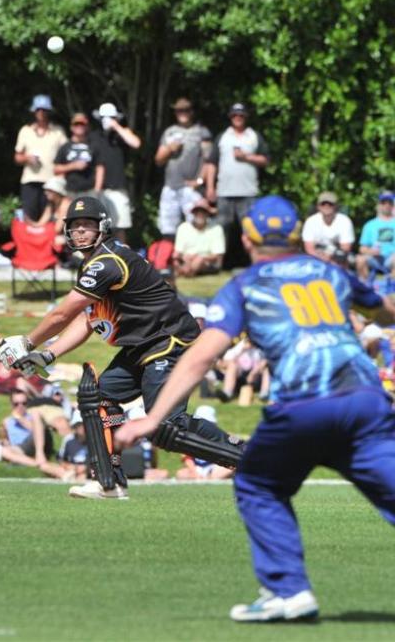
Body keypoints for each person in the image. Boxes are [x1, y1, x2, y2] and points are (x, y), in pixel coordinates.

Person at [116, 194, 395, 622]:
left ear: (247, 240)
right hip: (364, 400)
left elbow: (201, 356)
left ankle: (288, 591)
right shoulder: (328, 271)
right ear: (298, 234)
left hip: (302, 406)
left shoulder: (245, 286)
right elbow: (383, 309)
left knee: (258, 486)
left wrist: (153, 418)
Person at [0, 196, 242, 500]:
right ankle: (108, 481)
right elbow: (89, 320)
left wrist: (26, 342)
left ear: (103, 228)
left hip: (169, 342)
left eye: (87, 225)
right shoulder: (93, 264)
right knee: (97, 397)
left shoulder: (107, 263)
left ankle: (243, 457)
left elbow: (63, 313)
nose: (81, 231)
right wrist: (47, 353)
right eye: (75, 226)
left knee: (165, 426)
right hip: (142, 348)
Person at [205, 102, 269, 268]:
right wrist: (210, 187)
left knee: (249, 230)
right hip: (224, 192)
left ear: (245, 117)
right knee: (220, 230)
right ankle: (216, 266)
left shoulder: (253, 136)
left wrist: (246, 157)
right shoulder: (223, 137)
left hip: (248, 192)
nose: (237, 118)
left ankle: (255, 264)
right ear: (230, 117)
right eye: (234, 115)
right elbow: (211, 163)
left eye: (240, 115)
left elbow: (265, 160)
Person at [154, 98, 212, 240]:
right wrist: (169, 149)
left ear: (191, 112)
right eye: (179, 110)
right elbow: (158, 160)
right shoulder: (170, 132)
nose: (182, 113)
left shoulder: (201, 132)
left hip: (191, 188)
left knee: (195, 225)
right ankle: (169, 259)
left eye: (186, 110)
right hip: (170, 187)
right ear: (175, 112)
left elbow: (209, 160)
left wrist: (200, 181)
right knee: (167, 228)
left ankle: (193, 258)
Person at [90, 102, 141, 242]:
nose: (107, 120)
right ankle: (103, 258)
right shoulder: (93, 136)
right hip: (99, 189)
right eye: (104, 118)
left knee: (120, 228)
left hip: (117, 188)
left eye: (111, 117)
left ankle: (122, 259)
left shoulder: (121, 135)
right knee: (102, 227)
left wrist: (116, 126)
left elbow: (136, 143)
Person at [14, 95, 67, 222]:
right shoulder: (25, 130)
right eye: (38, 109)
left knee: (49, 219)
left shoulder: (58, 132)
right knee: (29, 217)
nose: (41, 112)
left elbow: (67, 155)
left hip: (52, 182)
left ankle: (48, 243)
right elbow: (17, 157)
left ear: (49, 112)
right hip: (30, 181)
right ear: (34, 111)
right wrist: (27, 158)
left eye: (44, 110)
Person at [53, 113, 104, 201]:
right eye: (76, 124)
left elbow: (100, 167)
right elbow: (56, 169)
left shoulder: (93, 145)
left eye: (82, 124)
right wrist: (73, 166)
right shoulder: (65, 146)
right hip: (70, 191)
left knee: (89, 214)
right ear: (71, 127)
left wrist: (97, 190)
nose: (79, 127)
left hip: (90, 191)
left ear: (87, 126)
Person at [173, 198, 226, 276]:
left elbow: (217, 256)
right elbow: (177, 252)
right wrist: (184, 258)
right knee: (175, 260)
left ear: (208, 214)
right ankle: (187, 271)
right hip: (186, 259)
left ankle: (186, 272)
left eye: (203, 211)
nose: (200, 214)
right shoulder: (183, 228)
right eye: (197, 211)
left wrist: (199, 258)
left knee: (199, 260)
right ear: (194, 213)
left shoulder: (216, 229)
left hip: (208, 262)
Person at [302, 191, 355, 262]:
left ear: (336, 206)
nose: (326, 206)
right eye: (323, 204)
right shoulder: (310, 221)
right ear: (318, 206)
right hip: (316, 256)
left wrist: (330, 257)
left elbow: (345, 248)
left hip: (337, 256)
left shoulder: (345, 221)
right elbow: (309, 248)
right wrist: (320, 257)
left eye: (330, 204)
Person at [357, 190, 395, 280]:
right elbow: (362, 248)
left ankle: (392, 288)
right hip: (374, 258)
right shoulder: (369, 225)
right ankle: (365, 288)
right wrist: (370, 251)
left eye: (390, 202)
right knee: (360, 260)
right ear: (379, 205)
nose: (387, 205)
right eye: (383, 202)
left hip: (392, 258)